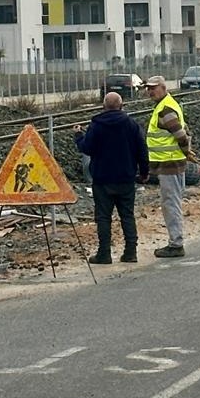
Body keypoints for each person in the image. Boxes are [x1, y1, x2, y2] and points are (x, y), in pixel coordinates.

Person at [73, 92, 149, 264]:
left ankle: (104, 254)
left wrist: (78, 136)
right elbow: (142, 151)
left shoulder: (96, 125)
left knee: (103, 217)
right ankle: (131, 252)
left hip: (102, 179)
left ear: (103, 106)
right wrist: (144, 173)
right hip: (126, 178)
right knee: (127, 216)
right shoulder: (131, 124)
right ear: (121, 106)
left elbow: (87, 148)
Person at [143, 75, 191, 258]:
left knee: (170, 203)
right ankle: (175, 241)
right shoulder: (167, 104)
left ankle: (176, 244)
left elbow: (180, 135)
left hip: (170, 164)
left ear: (163, 88)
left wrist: (185, 152)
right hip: (171, 162)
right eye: (148, 88)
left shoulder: (165, 109)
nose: (150, 91)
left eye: (153, 88)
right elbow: (184, 131)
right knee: (172, 202)